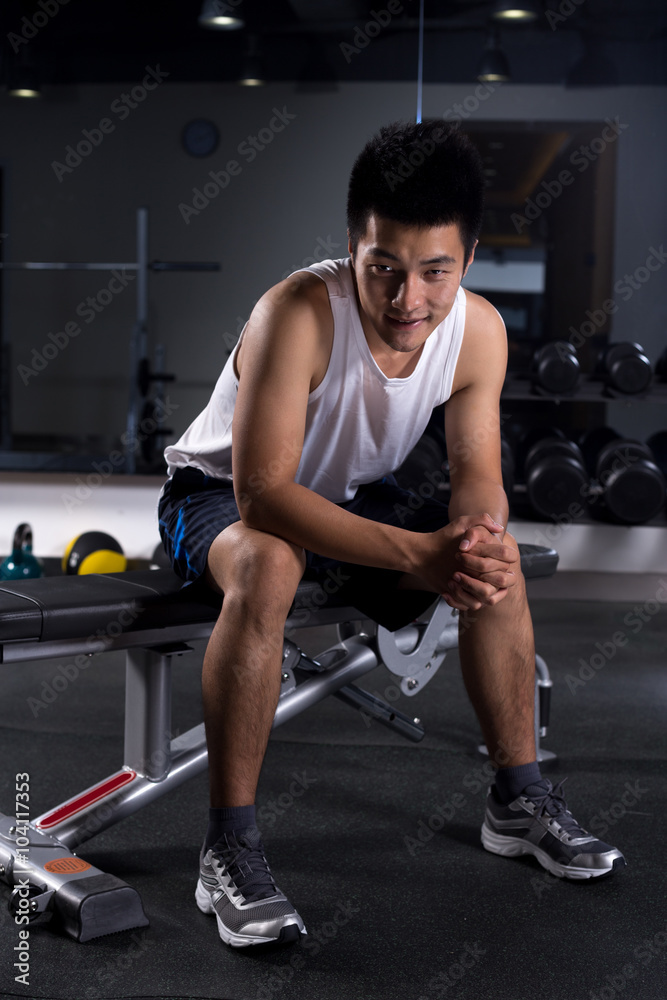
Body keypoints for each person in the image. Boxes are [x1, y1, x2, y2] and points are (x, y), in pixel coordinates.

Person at [158, 120, 625, 949]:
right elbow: (262, 496)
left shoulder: (477, 331)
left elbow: (477, 471)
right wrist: (416, 552)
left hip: (343, 498)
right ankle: (227, 847)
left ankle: (516, 799)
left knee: (492, 561)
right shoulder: (296, 313)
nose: (408, 299)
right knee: (269, 565)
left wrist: (476, 537)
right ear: (352, 247)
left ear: (469, 259)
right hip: (217, 499)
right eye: (384, 269)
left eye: (434, 273)